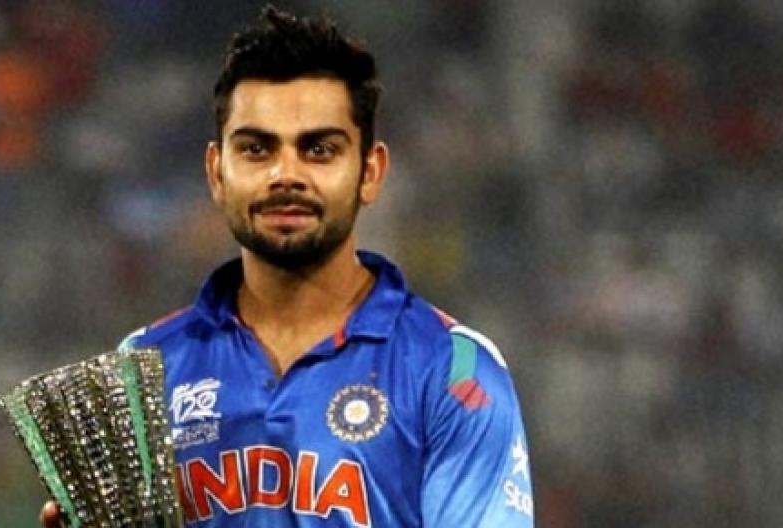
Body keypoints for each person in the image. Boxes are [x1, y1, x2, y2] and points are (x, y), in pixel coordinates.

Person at [41, 6, 534, 527]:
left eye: (319, 149)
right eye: (257, 149)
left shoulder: (455, 369)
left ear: (370, 172)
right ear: (217, 172)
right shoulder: (143, 368)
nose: (286, 174)